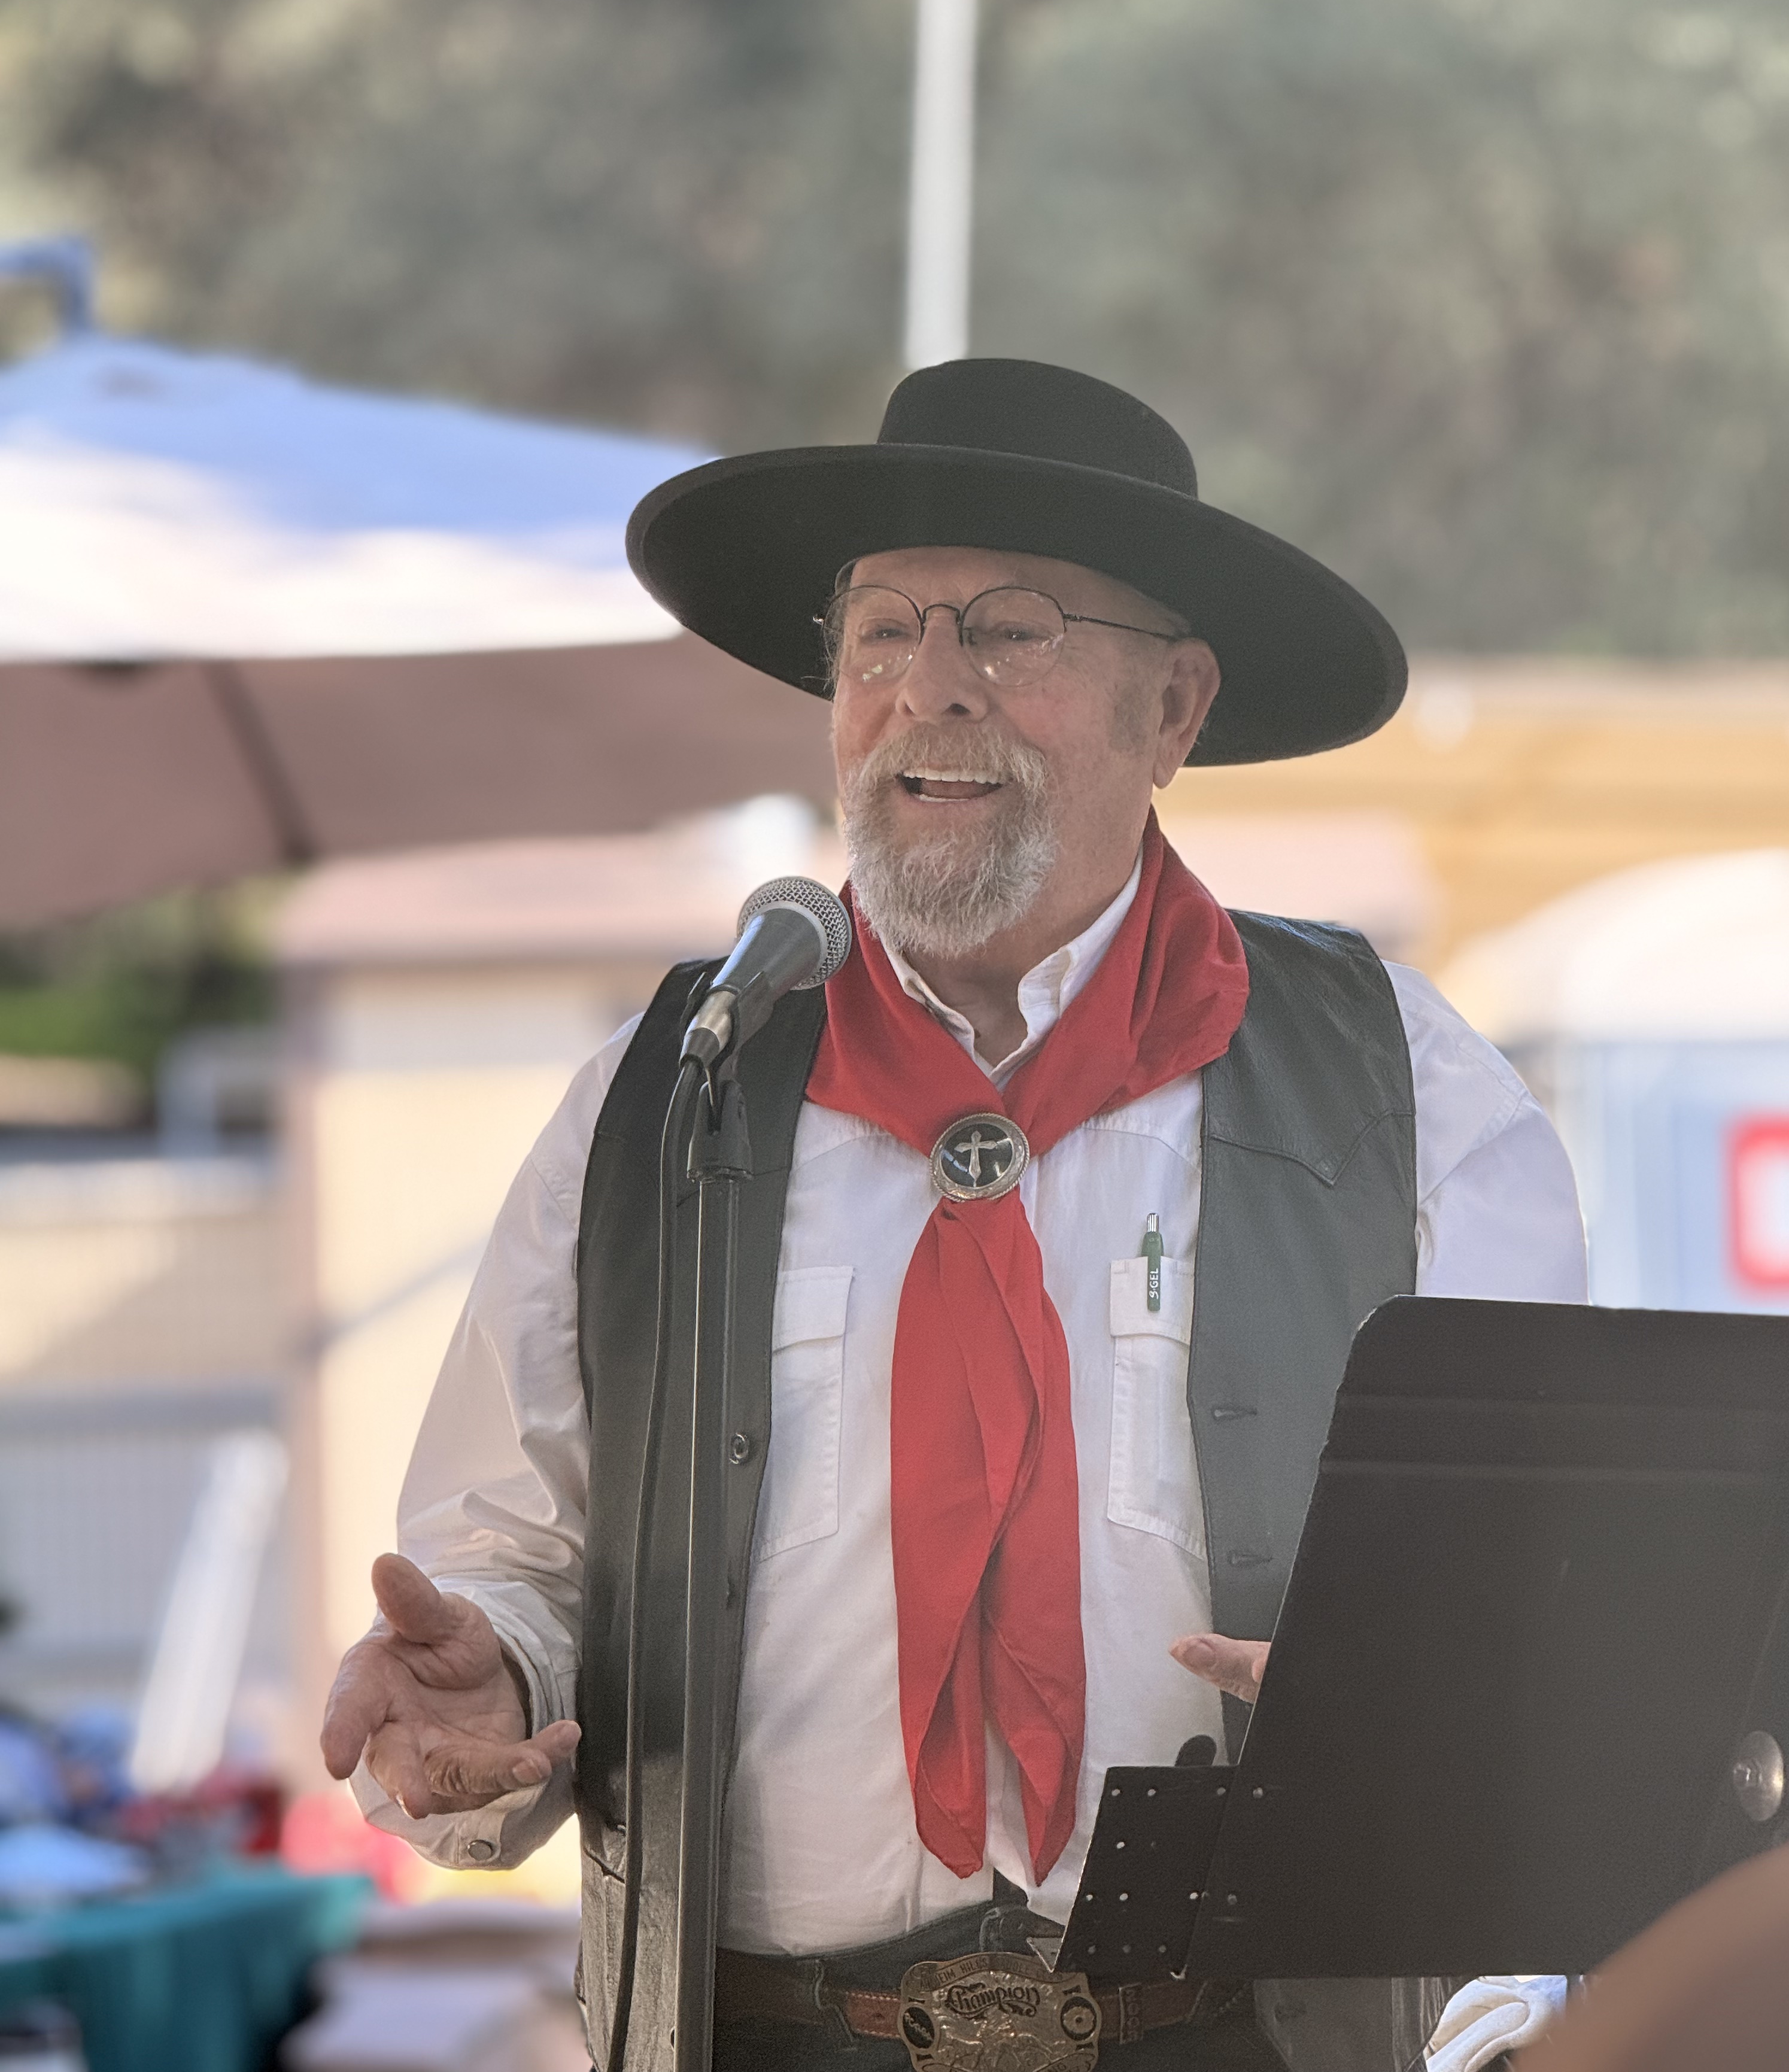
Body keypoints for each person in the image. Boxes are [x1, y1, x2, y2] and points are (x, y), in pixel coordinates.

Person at [321, 359, 1587, 2072]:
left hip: (1242, 2039)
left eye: (1008, 631)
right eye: (882, 635)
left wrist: (1421, 1699)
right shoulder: (674, 1087)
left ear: (1176, 708)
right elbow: (520, 1563)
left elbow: (1547, 1590)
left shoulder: (1403, 1085)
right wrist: (499, 1687)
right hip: (774, 2039)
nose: (930, 691)